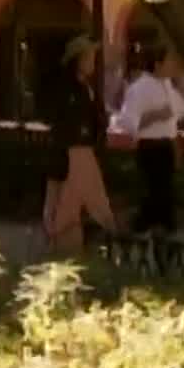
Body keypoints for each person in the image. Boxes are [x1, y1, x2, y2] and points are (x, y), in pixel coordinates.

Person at [41, 34, 118, 253]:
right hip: (70, 152)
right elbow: (63, 120)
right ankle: (59, 245)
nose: (93, 62)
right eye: (89, 57)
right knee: (64, 203)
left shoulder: (86, 88)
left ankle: (66, 246)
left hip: (81, 151)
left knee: (80, 202)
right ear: (78, 59)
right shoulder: (66, 88)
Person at [117, 43, 184, 233]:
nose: (172, 65)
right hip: (150, 147)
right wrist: (153, 117)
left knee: (166, 191)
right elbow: (127, 121)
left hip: (167, 145)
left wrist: (183, 86)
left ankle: (164, 229)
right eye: (169, 61)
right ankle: (142, 228)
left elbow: (182, 110)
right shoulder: (138, 88)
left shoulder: (167, 85)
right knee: (153, 191)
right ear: (158, 64)